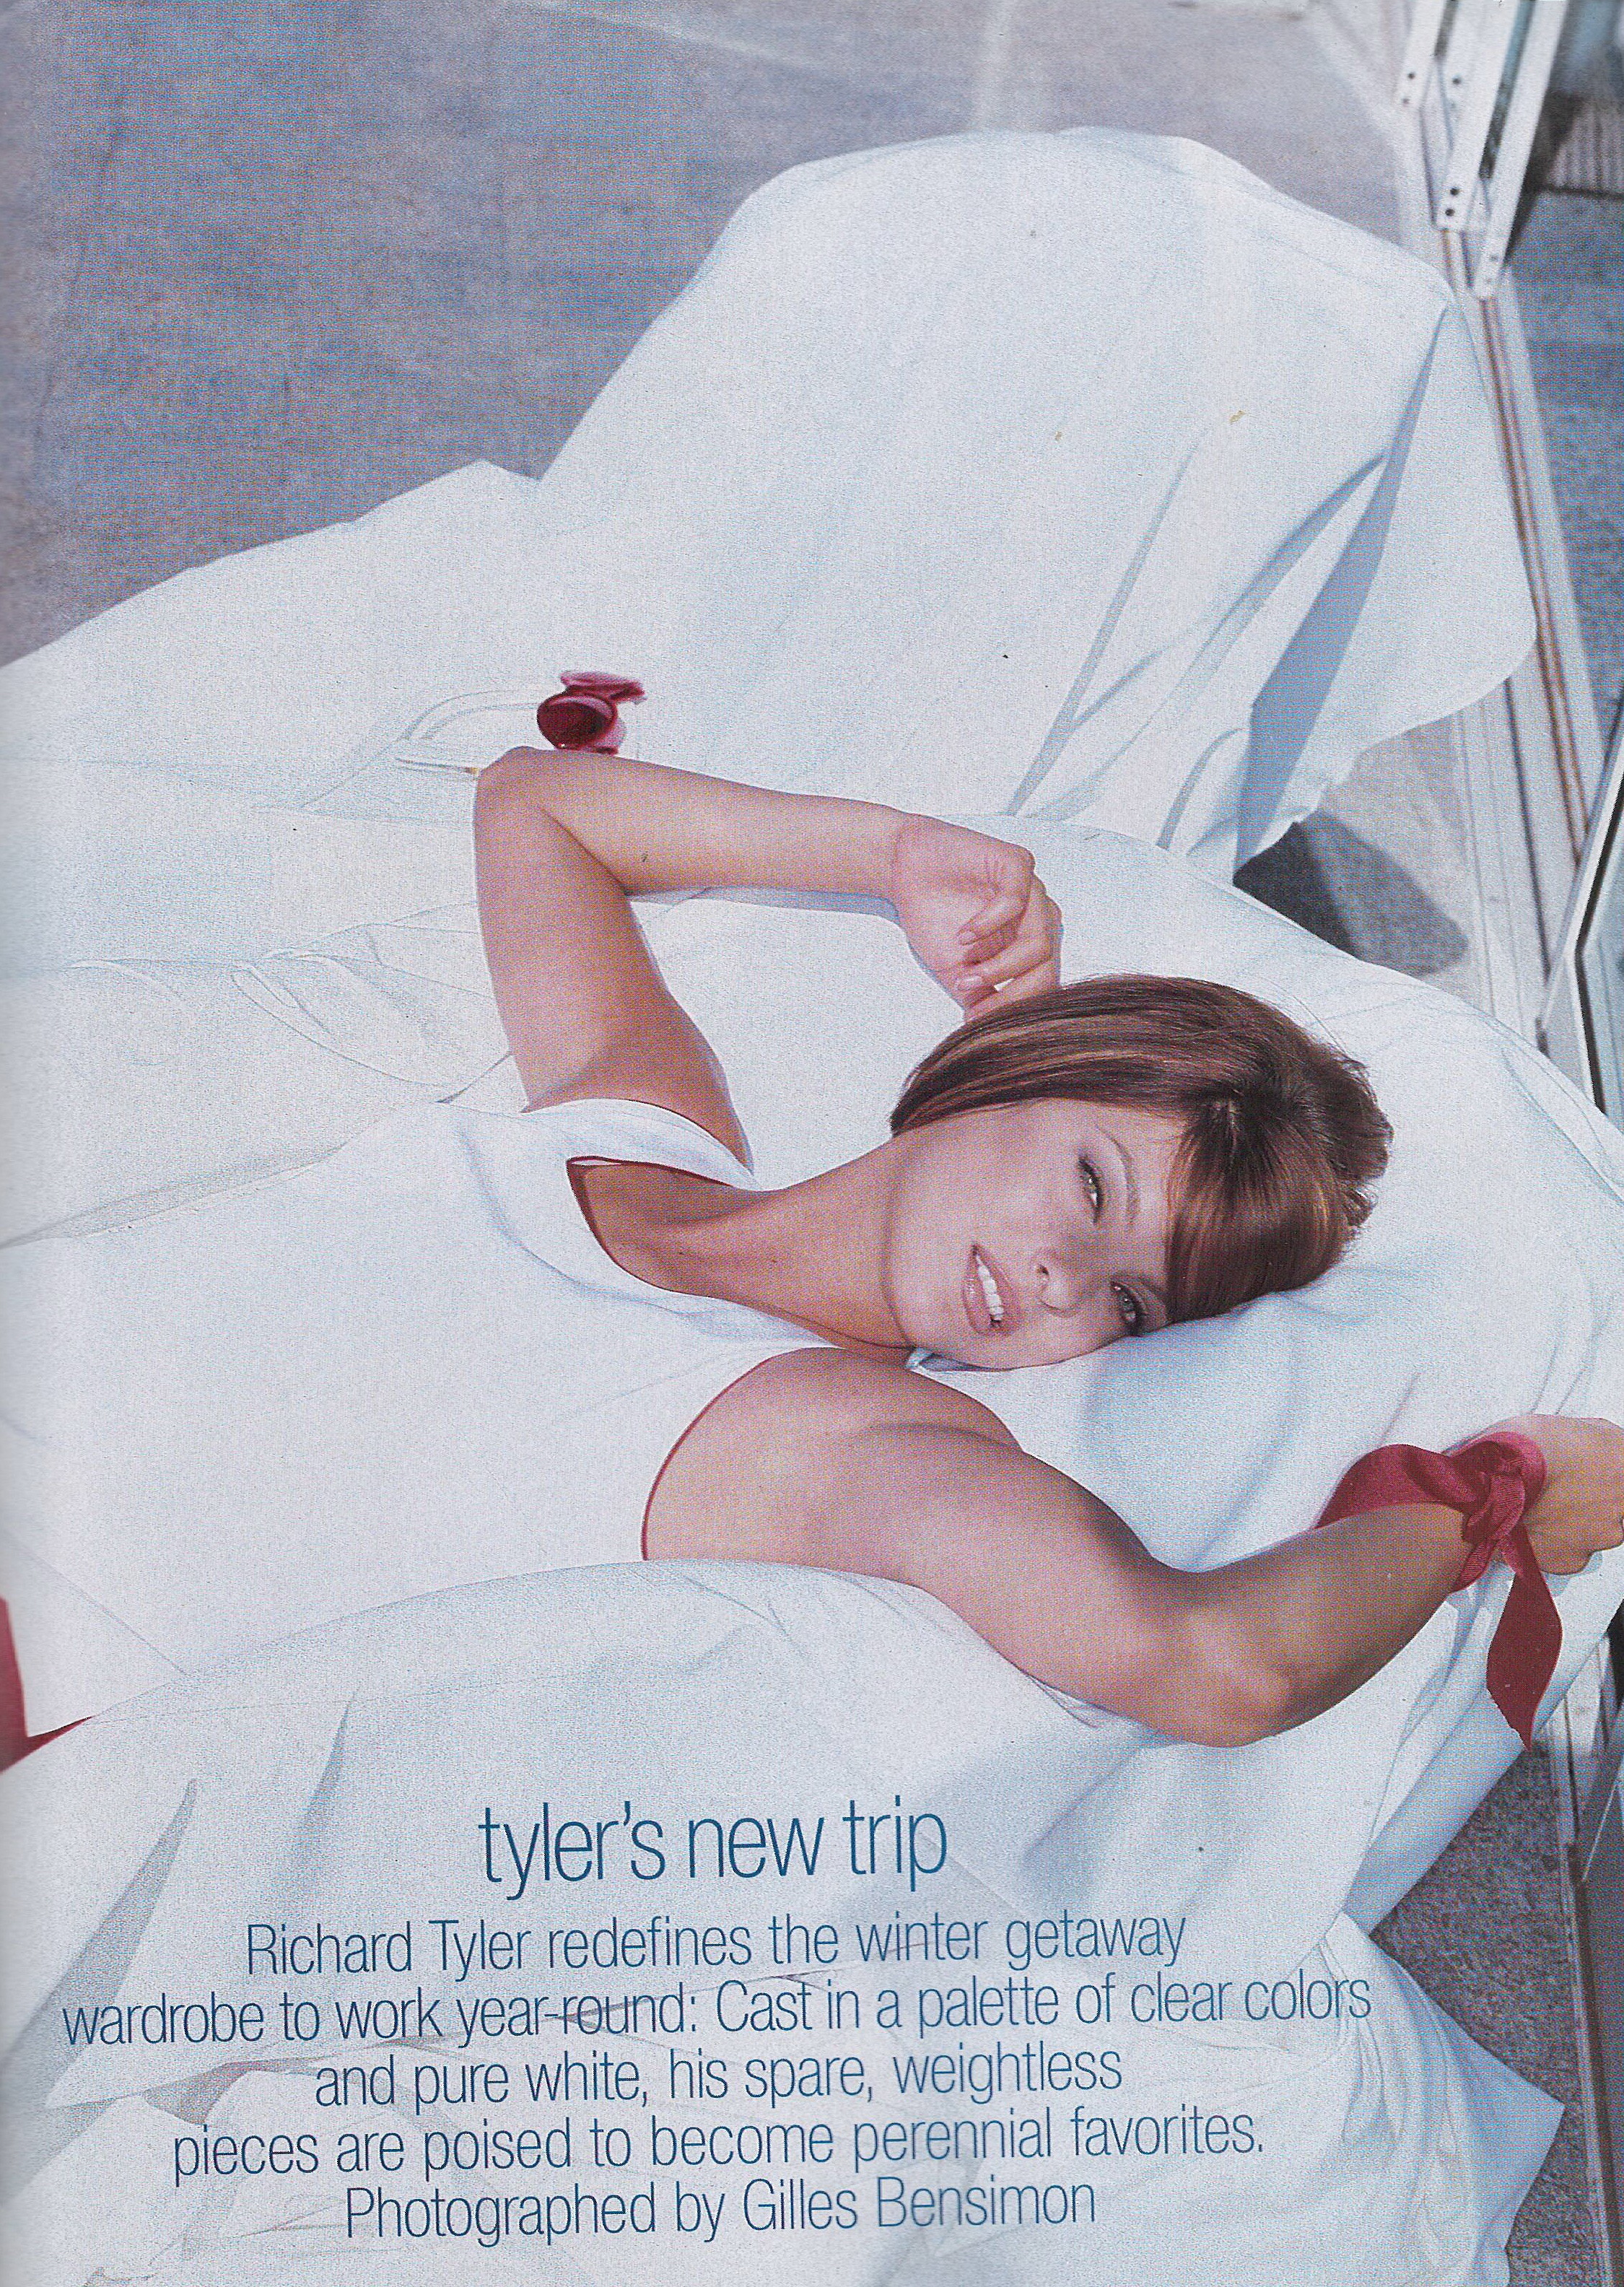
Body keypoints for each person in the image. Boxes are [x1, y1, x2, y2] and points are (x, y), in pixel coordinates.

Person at [473, 743, 1624, 1749]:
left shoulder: (844, 1438)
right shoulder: (634, 1121)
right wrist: (895, 852)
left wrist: (1490, 1492)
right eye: (1089, 1186)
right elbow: (535, 803)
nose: (1063, 1281)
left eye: (1130, 1304)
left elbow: (1223, 1666)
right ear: (1014, 1065)